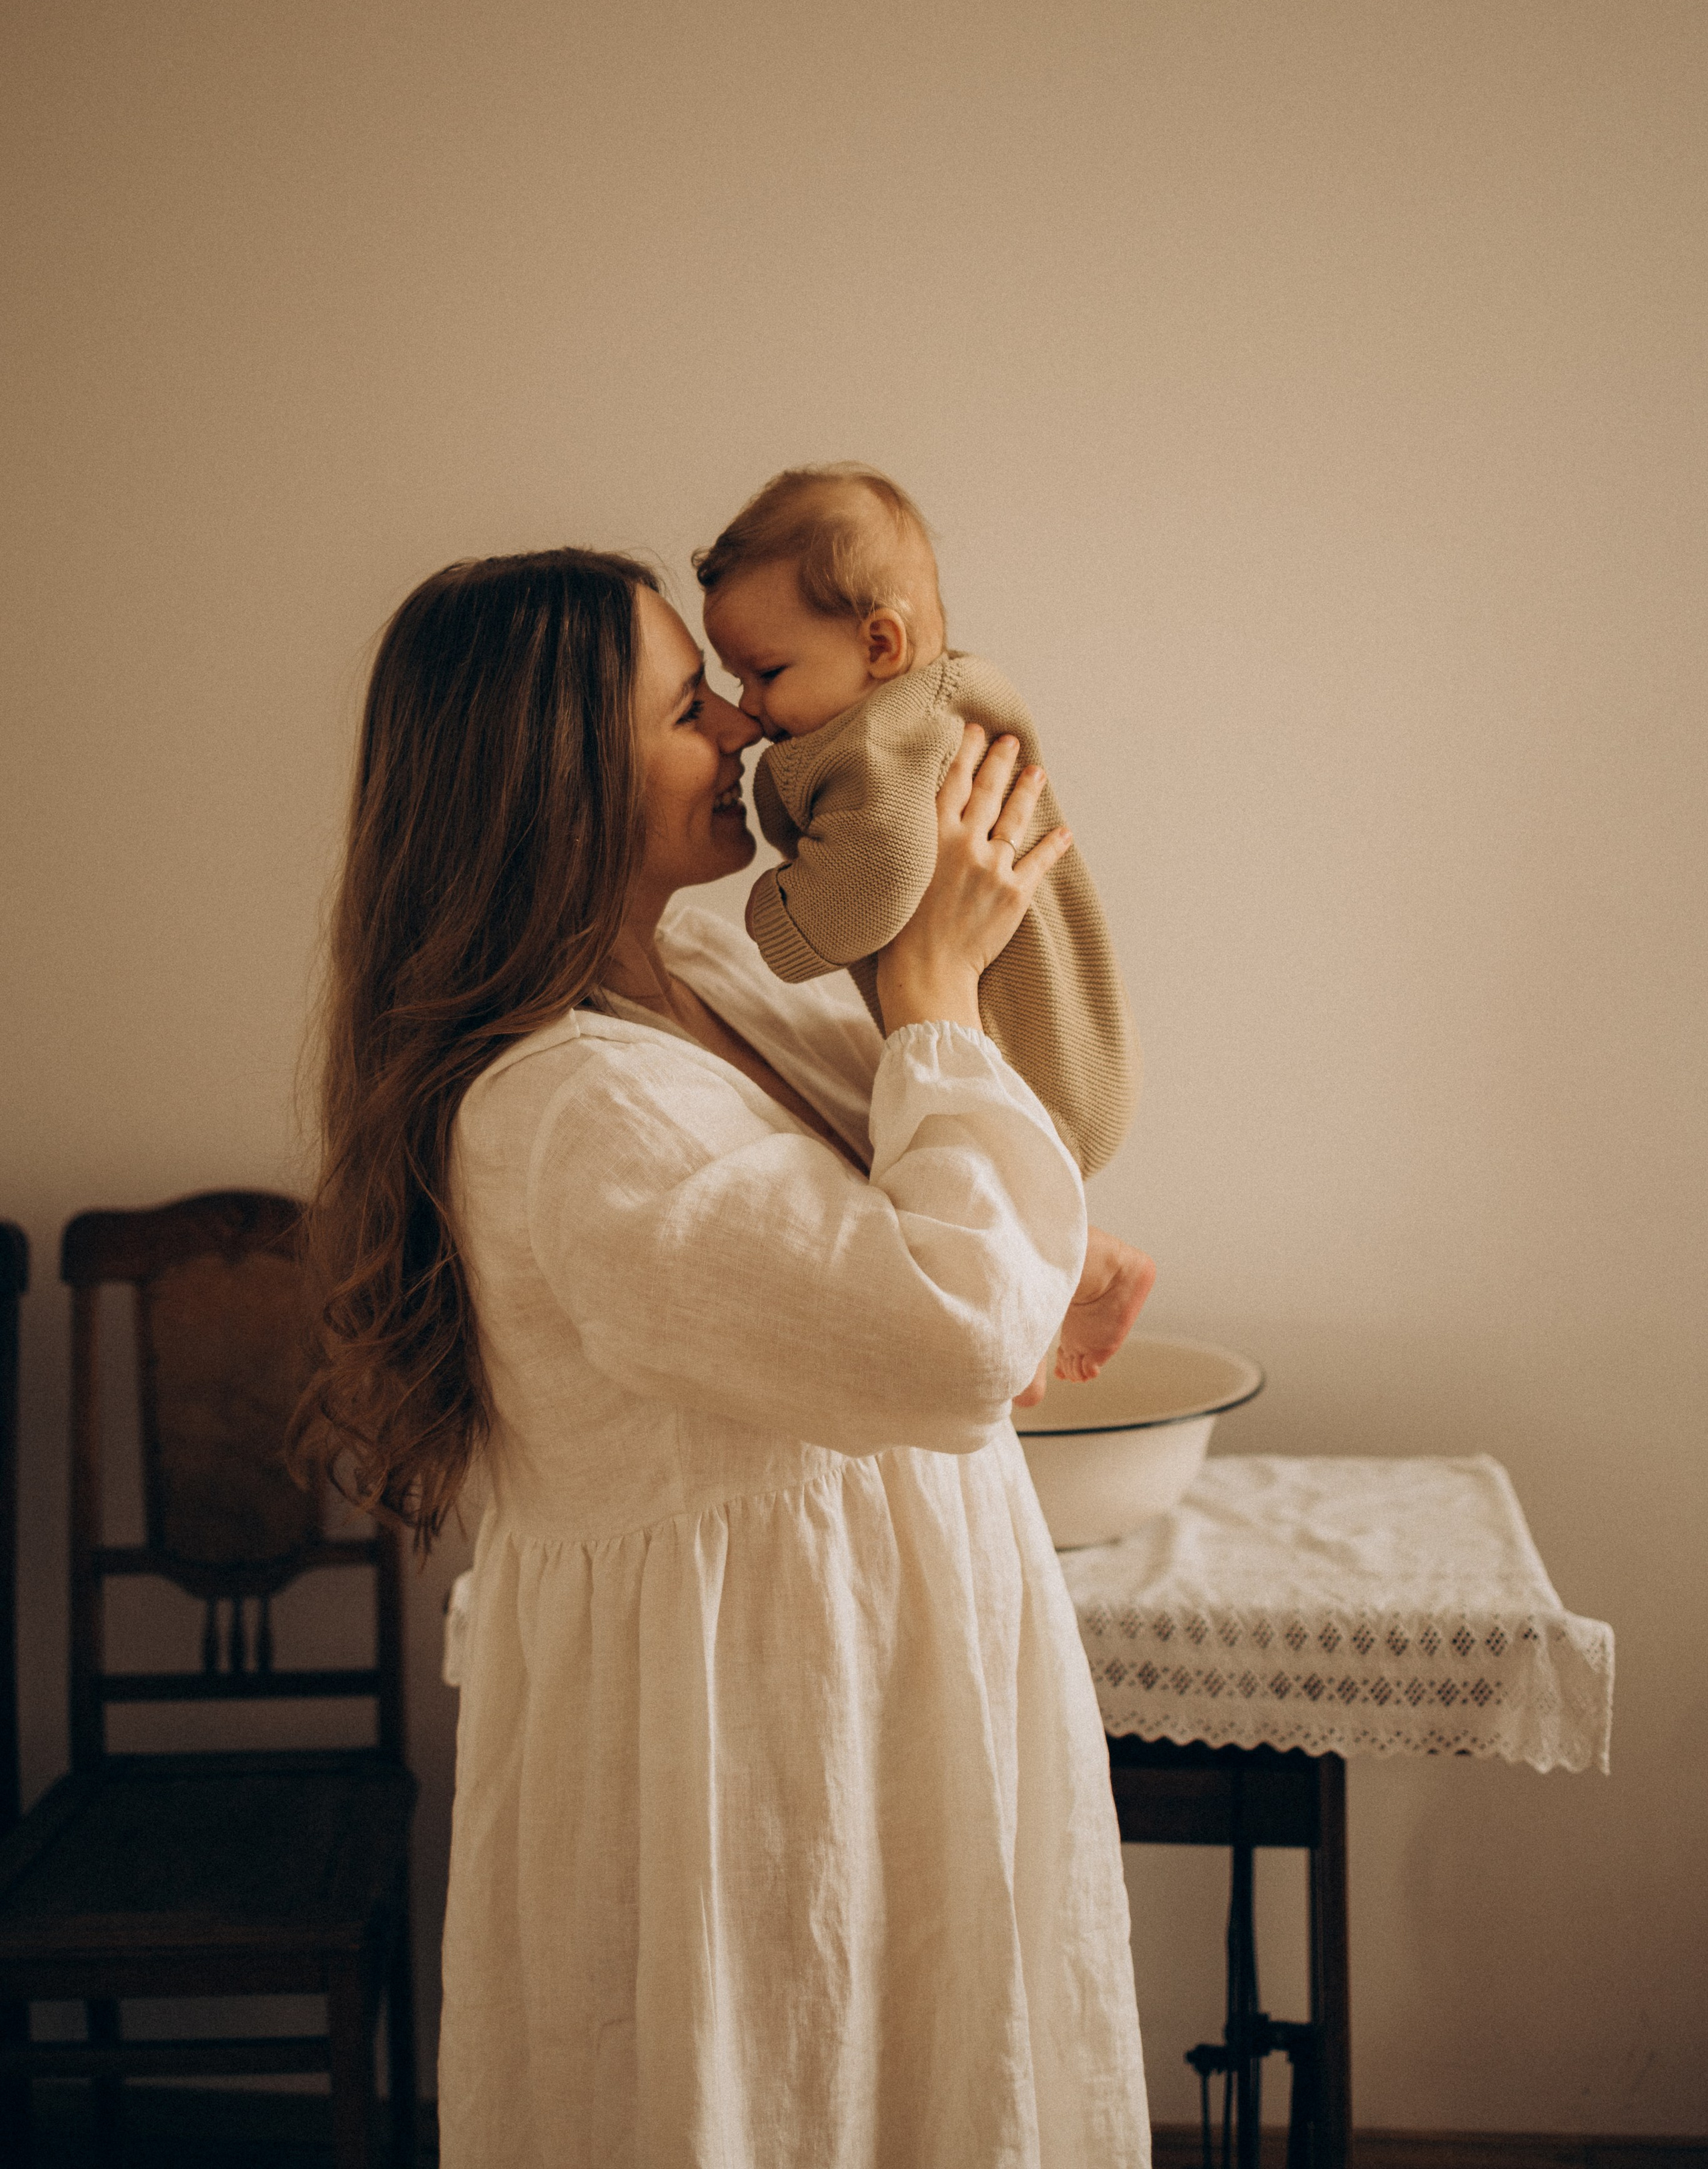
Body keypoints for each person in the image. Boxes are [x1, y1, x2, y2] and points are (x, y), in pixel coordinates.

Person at [294, 544, 1153, 2169]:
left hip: (878, 1696)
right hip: (755, 1751)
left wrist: (1051, 1263)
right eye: (691, 705)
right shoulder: (564, 1108)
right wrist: (933, 983)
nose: (749, 736)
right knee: (784, 2095)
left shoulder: (703, 983)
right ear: (558, 776)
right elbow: (945, 1328)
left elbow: (909, 1233)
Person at [697, 464, 1142, 1380]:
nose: (748, 708)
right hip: (1062, 1049)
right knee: (955, 1170)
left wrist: (775, 911)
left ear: (881, 644)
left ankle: (1062, 1285)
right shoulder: (938, 701)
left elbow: (878, 878)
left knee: (972, 1180)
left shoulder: (885, 740)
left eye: (767, 673)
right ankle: (1083, 1265)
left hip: (1024, 1063)